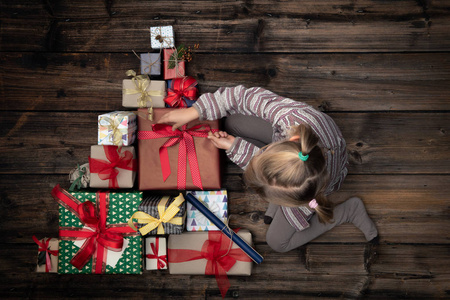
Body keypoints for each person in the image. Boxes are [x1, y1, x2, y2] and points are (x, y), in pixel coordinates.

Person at [158, 85, 378, 253]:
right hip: (306, 149)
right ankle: (273, 176)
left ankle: (349, 211)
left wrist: (235, 147)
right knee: (233, 121)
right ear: (288, 141)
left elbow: (292, 194)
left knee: (277, 242)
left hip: (318, 182)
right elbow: (240, 96)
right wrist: (193, 112)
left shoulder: (309, 194)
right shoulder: (289, 118)